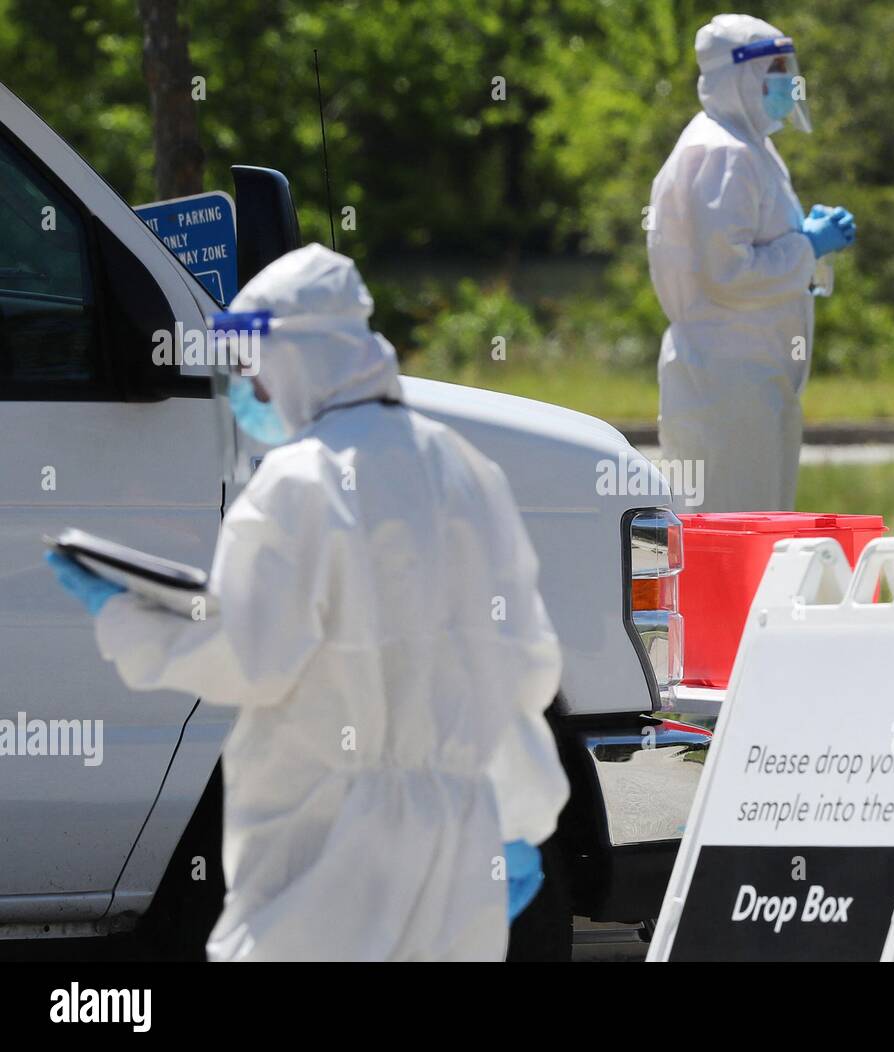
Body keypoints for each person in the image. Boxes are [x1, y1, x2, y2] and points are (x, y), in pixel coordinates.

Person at [45, 244, 569, 961]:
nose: (246, 387)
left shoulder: (300, 479)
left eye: (254, 365)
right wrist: (517, 814)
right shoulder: (465, 467)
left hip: (327, 843)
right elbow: (525, 666)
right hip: (460, 840)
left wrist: (125, 615)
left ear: (297, 357)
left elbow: (248, 660)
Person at [649, 13, 856, 512]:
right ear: (739, 76)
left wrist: (802, 236)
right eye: (777, 68)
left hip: (745, 374)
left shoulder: (747, 146)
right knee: (729, 527)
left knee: (757, 521)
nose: (789, 81)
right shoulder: (723, 153)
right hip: (728, 377)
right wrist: (809, 246)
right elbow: (728, 273)